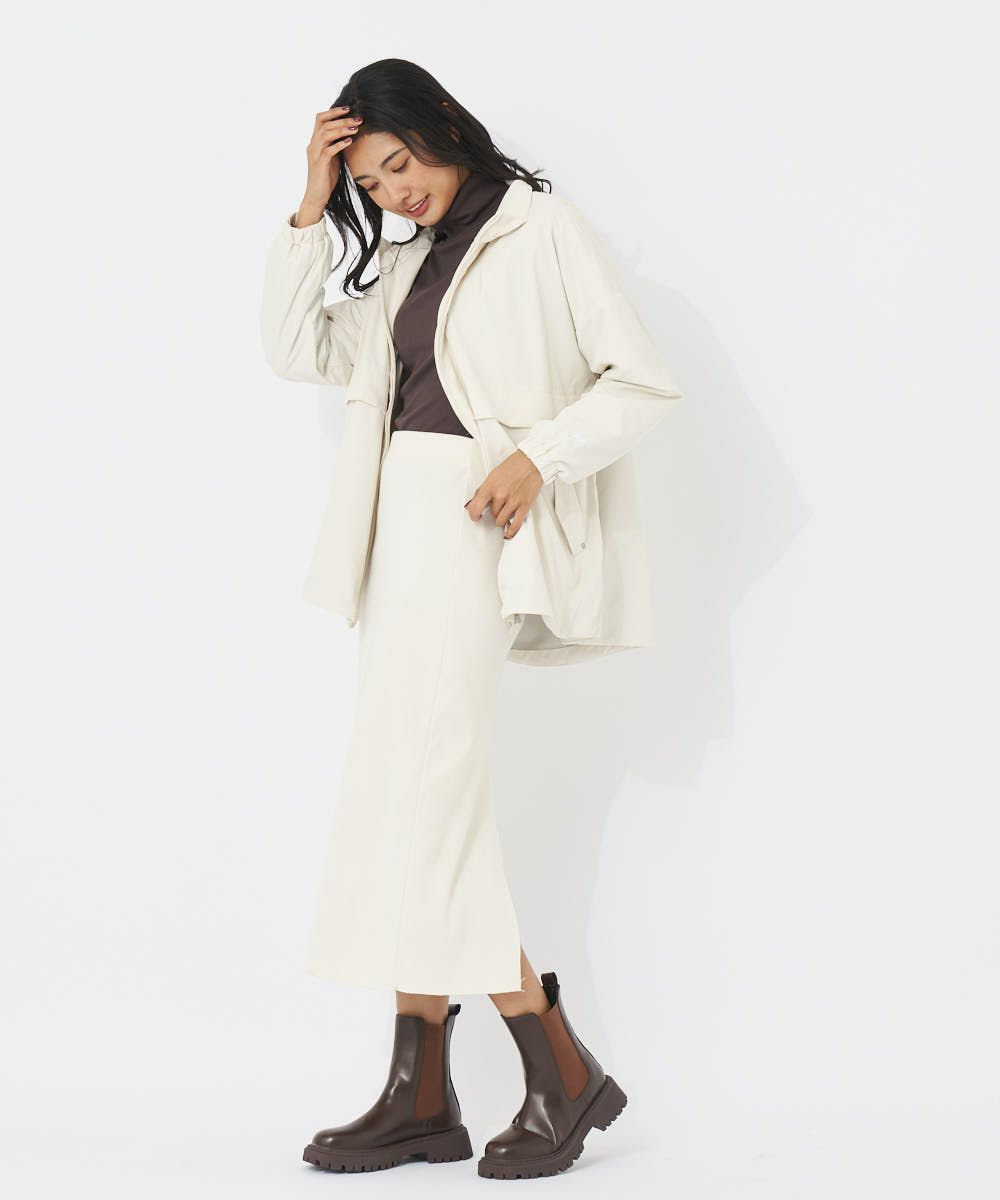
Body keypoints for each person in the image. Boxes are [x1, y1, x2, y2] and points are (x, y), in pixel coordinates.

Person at [260, 58, 682, 1180]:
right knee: (408, 800)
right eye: (372, 181)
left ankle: (555, 1064)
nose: (394, 192)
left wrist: (540, 458)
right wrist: (312, 203)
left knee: (430, 798)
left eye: (400, 163)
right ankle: (422, 1093)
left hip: (469, 530)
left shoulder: (542, 231)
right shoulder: (405, 260)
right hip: (395, 538)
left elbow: (640, 379)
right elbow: (294, 349)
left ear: (445, 124)